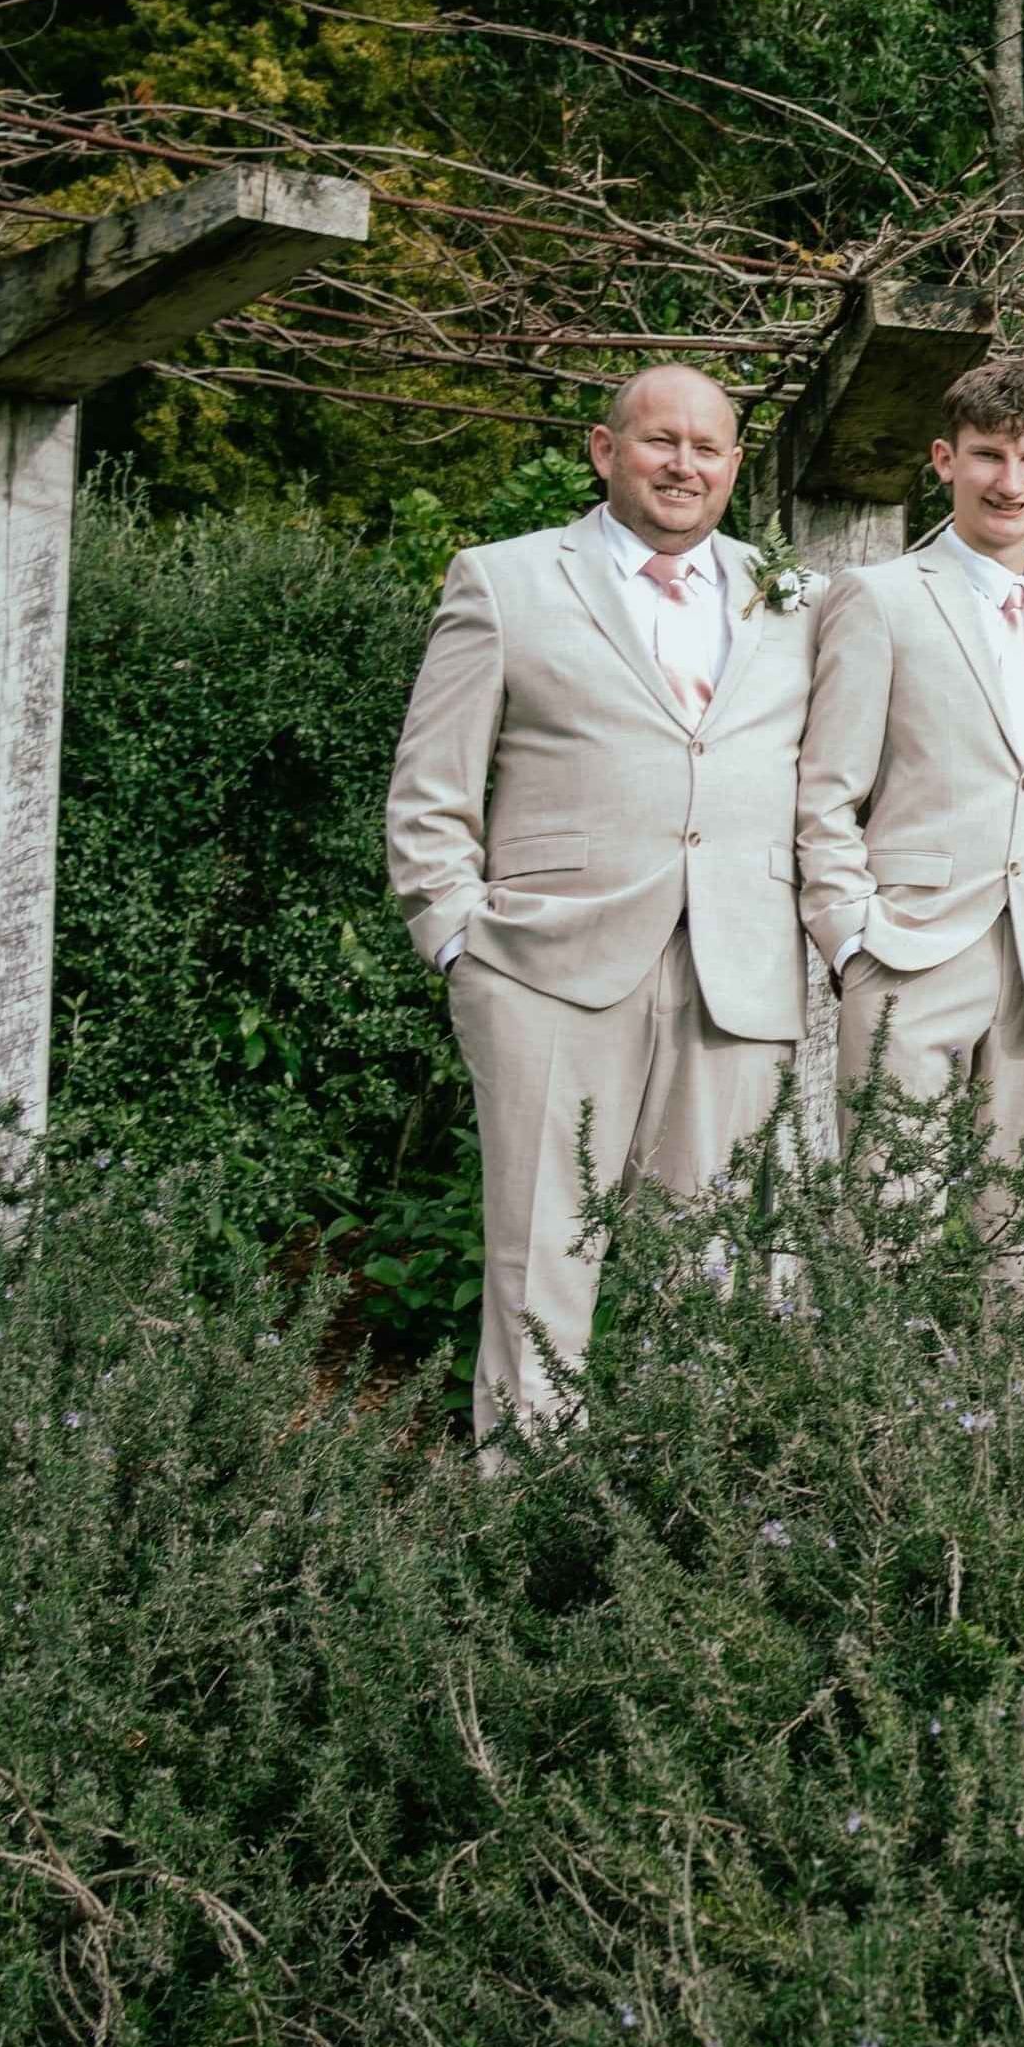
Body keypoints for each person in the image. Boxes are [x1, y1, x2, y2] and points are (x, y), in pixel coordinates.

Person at [384, 363, 816, 1448]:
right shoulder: (507, 580)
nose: (685, 465)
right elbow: (430, 792)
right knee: (543, 1251)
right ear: (602, 449)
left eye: (709, 448)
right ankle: (520, 1516)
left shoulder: (791, 597)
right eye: (659, 441)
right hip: (546, 968)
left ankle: (682, 1519)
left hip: (738, 970)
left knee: (708, 1261)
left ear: (732, 466)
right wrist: (459, 948)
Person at [795, 356, 1024, 1221]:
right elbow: (826, 787)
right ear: (944, 460)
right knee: (894, 1222)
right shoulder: (880, 597)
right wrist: (849, 936)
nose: (1011, 483)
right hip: (908, 944)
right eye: (988, 456)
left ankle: (1016, 1367)